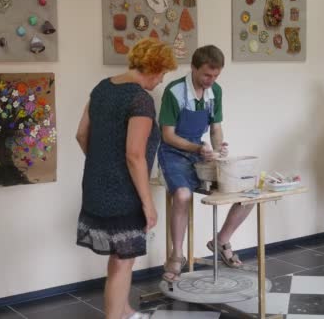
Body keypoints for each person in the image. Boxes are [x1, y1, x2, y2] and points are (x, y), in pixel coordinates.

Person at [75, 38, 177, 319]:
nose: (161, 81)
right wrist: (148, 203)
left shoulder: (101, 89)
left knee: (119, 257)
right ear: (154, 68)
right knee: (124, 261)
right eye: (163, 73)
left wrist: (102, 164)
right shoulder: (139, 100)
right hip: (125, 192)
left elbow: (81, 134)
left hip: (96, 185)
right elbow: (135, 155)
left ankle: (125, 312)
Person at [158, 45, 249, 283]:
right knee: (182, 196)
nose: (211, 80)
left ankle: (220, 240)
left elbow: (216, 129)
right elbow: (167, 135)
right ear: (194, 68)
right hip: (174, 153)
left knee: (246, 191)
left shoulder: (215, 91)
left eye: (216, 75)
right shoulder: (174, 91)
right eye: (207, 75)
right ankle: (176, 256)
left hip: (201, 152)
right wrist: (198, 148)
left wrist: (219, 151)